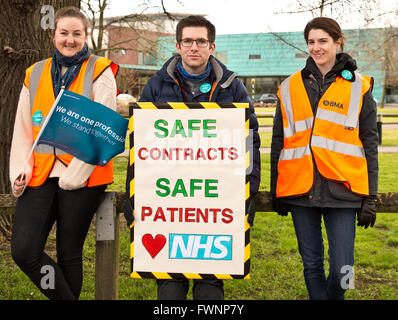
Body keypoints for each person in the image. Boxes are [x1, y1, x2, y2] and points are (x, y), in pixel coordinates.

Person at [124, 15, 261, 300]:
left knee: (210, 294)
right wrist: (133, 196)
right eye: (188, 41)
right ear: (178, 45)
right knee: (170, 293)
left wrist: (250, 192)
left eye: (201, 41)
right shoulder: (156, 86)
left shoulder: (232, 87)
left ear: (211, 46)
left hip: (216, 200)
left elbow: (250, 142)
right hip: (168, 200)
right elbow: (139, 146)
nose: (194, 47)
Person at [9, 6, 118, 300]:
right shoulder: (35, 73)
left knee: (70, 252)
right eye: (64, 33)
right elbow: (23, 128)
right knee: (24, 251)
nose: (70, 40)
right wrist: (20, 171)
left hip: (84, 176)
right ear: (53, 35)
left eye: (77, 34)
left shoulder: (100, 71)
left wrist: (75, 176)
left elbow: (101, 129)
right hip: (41, 173)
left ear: (86, 36)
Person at [270, 17, 378, 300]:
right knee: (311, 264)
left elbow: (370, 144)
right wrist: (276, 189)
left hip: (343, 188)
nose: (316, 48)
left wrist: (371, 195)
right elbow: (278, 143)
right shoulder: (289, 87)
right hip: (299, 188)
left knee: (345, 267)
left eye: (323, 41)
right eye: (311, 42)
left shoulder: (359, 86)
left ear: (337, 41)